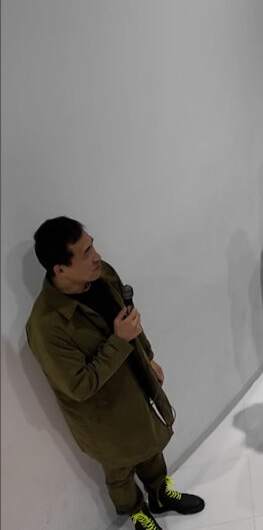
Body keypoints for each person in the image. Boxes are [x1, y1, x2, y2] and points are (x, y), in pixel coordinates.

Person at [27, 217, 205, 530]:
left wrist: (147, 358)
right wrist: (120, 342)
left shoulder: (102, 274)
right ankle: (137, 513)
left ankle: (161, 495)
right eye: (85, 253)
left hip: (136, 386)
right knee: (120, 469)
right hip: (102, 416)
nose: (96, 256)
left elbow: (129, 318)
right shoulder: (46, 326)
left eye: (92, 246)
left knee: (150, 446)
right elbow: (78, 386)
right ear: (60, 269)